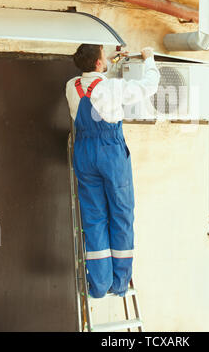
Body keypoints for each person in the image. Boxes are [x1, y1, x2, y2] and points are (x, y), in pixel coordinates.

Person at [66, 44, 160, 298]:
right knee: (121, 214)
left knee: (94, 218)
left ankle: (98, 285)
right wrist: (149, 59)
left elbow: (95, 79)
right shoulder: (111, 87)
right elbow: (148, 85)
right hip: (110, 152)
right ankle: (119, 283)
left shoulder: (71, 86)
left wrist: (112, 60)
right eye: (103, 55)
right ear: (98, 63)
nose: (106, 58)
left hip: (84, 152)